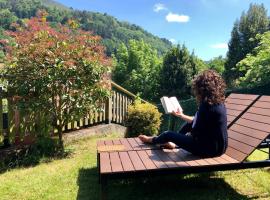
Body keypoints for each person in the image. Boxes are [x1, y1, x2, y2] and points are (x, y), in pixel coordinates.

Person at [139, 69, 228, 157]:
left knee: (168, 134)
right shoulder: (219, 103)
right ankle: (172, 143)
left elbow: (196, 130)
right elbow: (197, 121)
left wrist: (181, 138)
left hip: (207, 150)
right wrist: (181, 115)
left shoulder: (206, 106)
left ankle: (151, 140)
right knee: (187, 124)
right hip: (220, 148)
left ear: (201, 89)